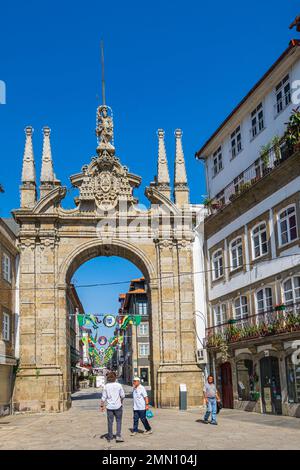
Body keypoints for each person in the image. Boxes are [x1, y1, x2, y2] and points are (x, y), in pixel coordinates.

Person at [100, 371, 125, 442]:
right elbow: (123, 395)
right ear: (115, 378)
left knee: (110, 422)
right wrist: (121, 401)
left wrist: (102, 406)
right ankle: (118, 436)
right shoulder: (119, 385)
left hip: (109, 407)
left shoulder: (106, 386)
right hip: (118, 406)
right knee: (119, 421)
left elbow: (103, 397)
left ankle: (110, 436)